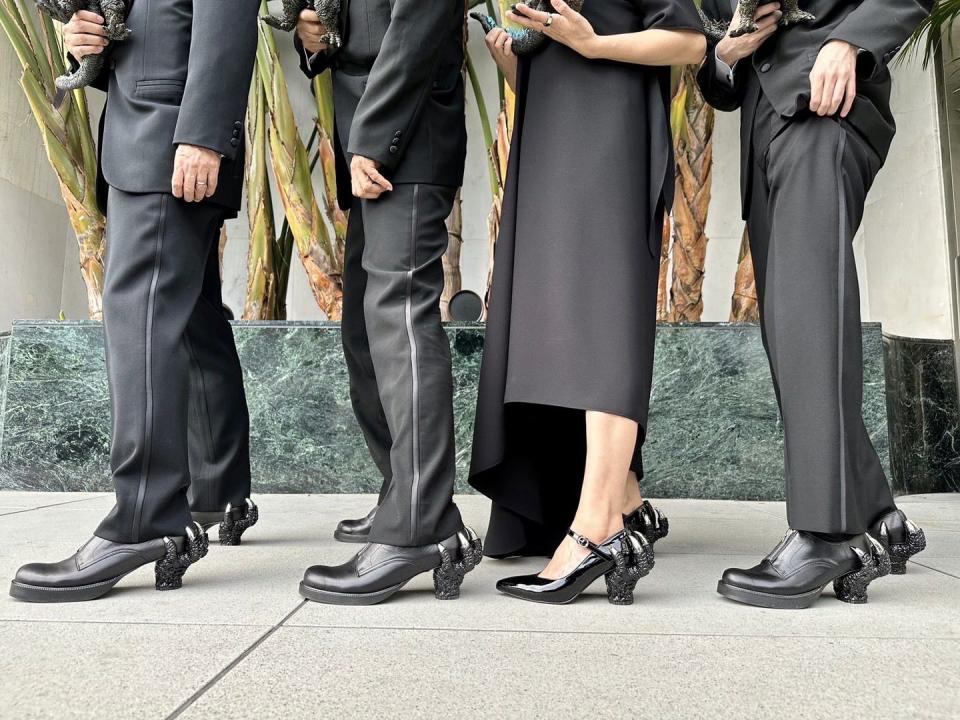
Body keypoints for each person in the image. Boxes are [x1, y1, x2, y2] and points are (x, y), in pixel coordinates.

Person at [9, 0, 261, 603]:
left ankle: (144, 519)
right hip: (148, 133)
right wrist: (84, 41)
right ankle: (219, 489)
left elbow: (227, 14)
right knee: (193, 316)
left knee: (140, 319)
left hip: (171, 136)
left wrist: (201, 133)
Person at [469, 0, 706, 605]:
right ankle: (621, 498)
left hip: (611, 132)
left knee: (601, 314)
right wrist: (514, 64)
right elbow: (563, 48)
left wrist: (595, 44)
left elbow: (688, 42)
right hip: (552, 129)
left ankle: (598, 528)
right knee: (555, 315)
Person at [696, 0, 931, 609]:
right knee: (794, 329)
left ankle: (827, 534)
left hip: (829, 109)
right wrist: (726, 54)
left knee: (808, 313)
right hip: (762, 133)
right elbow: (717, 70)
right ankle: (881, 516)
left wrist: (849, 40)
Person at [293, 0, 482, 606]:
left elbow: (422, 18)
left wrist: (373, 139)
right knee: (366, 332)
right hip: (371, 139)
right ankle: (407, 494)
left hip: (404, 137)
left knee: (401, 321)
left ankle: (417, 525)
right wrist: (317, 37)